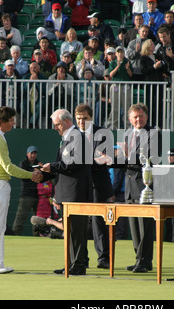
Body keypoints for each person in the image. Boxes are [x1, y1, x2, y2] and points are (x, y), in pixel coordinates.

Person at [0, 106, 42, 274]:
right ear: (3, 121)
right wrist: (31, 175)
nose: (13, 123)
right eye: (11, 120)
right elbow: (8, 167)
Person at [41, 109, 93, 275]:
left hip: (76, 193)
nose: (55, 128)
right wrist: (46, 172)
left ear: (67, 122)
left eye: (57, 124)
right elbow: (64, 166)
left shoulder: (76, 136)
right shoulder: (68, 138)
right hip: (68, 191)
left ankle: (77, 265)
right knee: (71, 230)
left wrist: (53, 166)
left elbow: (75, 163)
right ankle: (72, 263)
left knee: (76, 231)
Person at [121, 103, 161, 273]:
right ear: (130, 119)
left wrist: (126, 156)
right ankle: (139, 258)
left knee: (145, 226)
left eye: (141, 115)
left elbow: (150, 158)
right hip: (130, 187)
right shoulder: (128, 134)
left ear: (146, 116)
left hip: (146, 187)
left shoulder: (154, 134)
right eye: (135, 117)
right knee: (134, 228)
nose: (138, 119)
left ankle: (145, 261)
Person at [74, 104, 114, 269]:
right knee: (79, 222)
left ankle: (104, 258)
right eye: (79, 119)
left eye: (85, 118)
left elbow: (106, 158)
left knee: (99, 222)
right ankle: (81, 258)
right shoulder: (73, 134)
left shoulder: (103, 133)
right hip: (79, 184)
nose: (82, 122)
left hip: (98, 185)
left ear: (91, 118)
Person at [12, 146, 43, 235]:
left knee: (37, 220)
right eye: (31, 153)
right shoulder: (23, 163)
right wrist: (36, 170)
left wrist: (40, 170)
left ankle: (37, 237)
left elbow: (42, 176)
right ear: (27, 154)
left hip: (38, 196)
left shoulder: (39, 163)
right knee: (20, 218)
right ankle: (15, 236)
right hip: (26, 196)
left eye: (35, 153)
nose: (33, 155)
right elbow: (25, 175)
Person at [107, 45, 133, 129]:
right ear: (116, 53)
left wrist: (128, 68)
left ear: (124, 53)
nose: (120, 54)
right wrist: (117, 66)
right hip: (115, 86)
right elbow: (110, 75)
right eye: (118, 52)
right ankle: (112, 126)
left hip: (125, 86)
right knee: (115, 108)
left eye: (121, 52)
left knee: (127, 108)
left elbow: (130, 75)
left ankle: (128, 126)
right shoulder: (113, 62)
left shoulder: (127, 62)